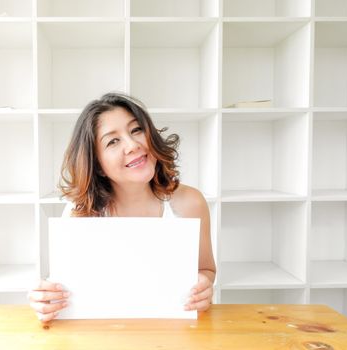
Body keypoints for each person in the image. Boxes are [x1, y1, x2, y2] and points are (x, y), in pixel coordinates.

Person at [28, 92, 216, 322]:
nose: (133, 145)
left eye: (136, 130)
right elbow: (65, 289)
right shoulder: (81, 212)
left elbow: (206, 270)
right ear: (97, 165)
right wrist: (45, 299)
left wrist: (204, 285)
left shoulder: (191, 203)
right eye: (112, 141)